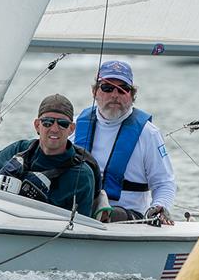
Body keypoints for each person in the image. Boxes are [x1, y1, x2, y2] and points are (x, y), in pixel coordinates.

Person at [0, 94, 98, 216]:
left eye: (62, 124)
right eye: (47, 122)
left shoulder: (82, 176)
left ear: (71, 129)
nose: (54, 129)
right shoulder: (19, 151)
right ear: (37, 125)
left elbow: (83, 225)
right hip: (2, 224)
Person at [74, 60, 175, 225]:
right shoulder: (74, 125)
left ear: (132, 95)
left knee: (113, 214)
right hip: (79, 211)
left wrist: (159, 207)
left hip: (126, 218)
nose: (115, 95)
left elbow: (164, 183)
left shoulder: (148, 133)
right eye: (107, 88)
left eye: (123, 89)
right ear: (94, 92)